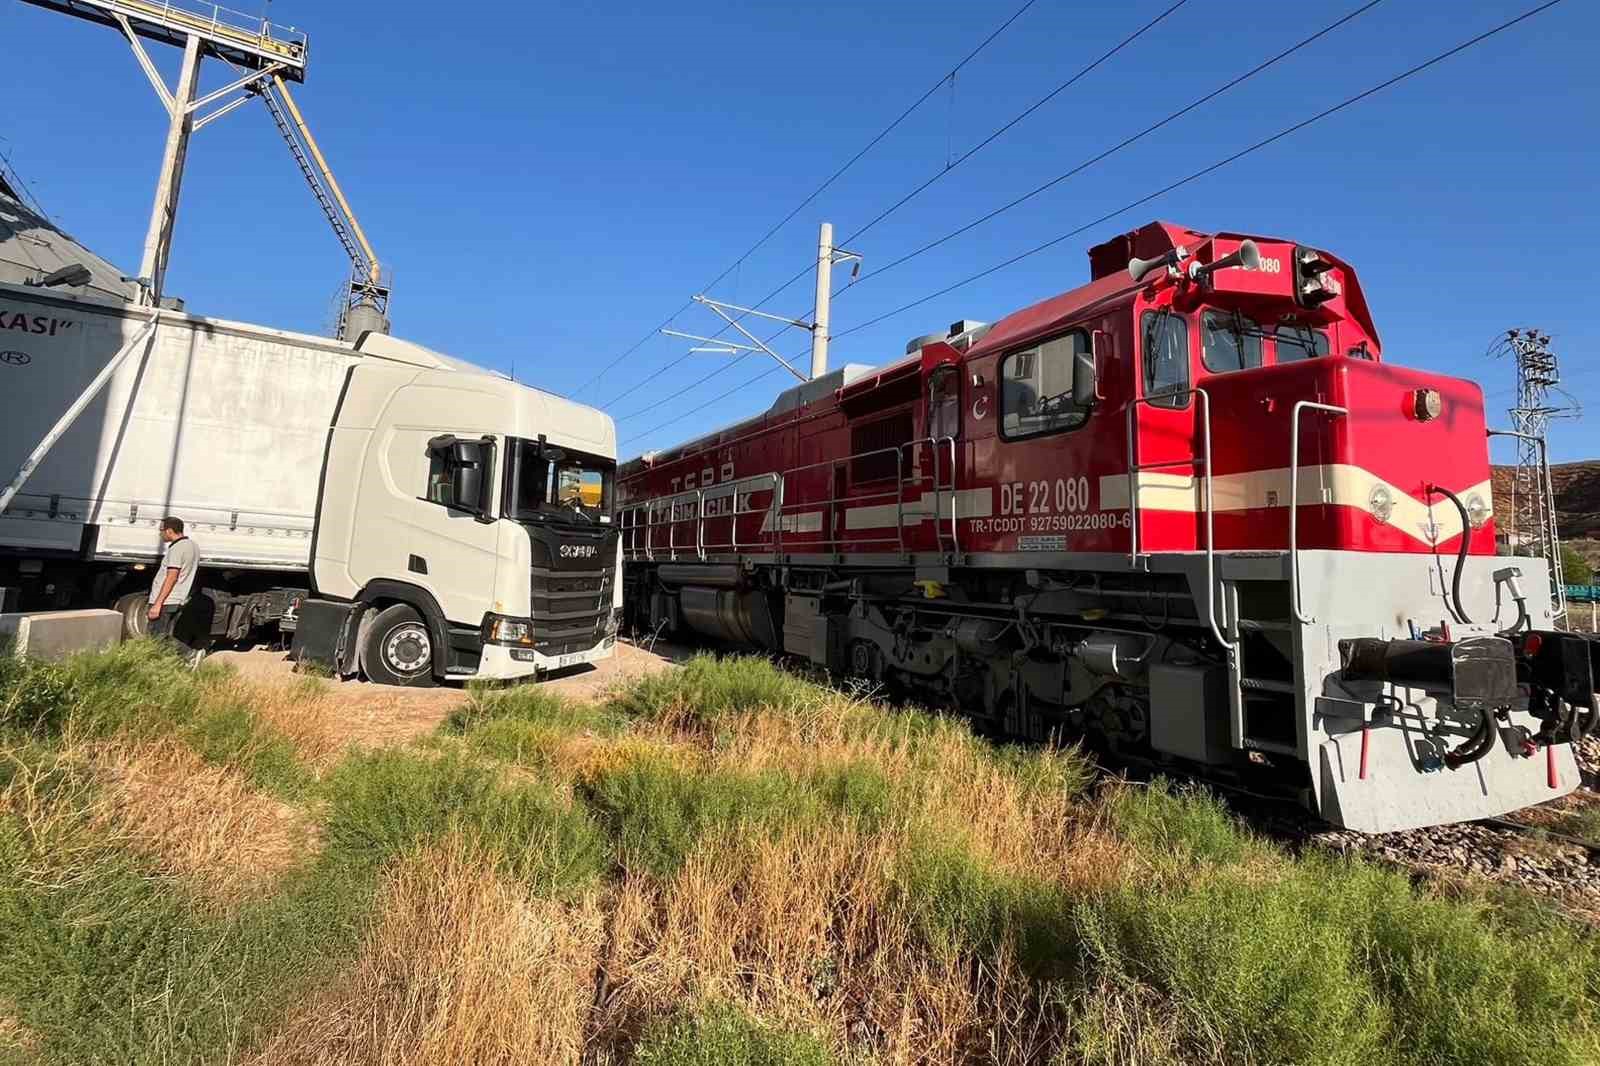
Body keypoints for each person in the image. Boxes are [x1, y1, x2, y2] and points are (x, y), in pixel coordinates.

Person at [147, 516, 199, 654]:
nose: (160, 534)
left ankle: (190, 655)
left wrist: (158, 603)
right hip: (177, 598)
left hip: (166, 600)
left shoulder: (177, 548)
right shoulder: (192, 545)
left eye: (161, 530)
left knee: (156, 637)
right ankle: (171, 661)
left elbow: (172, 576)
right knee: (161, 636)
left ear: (169, 531)